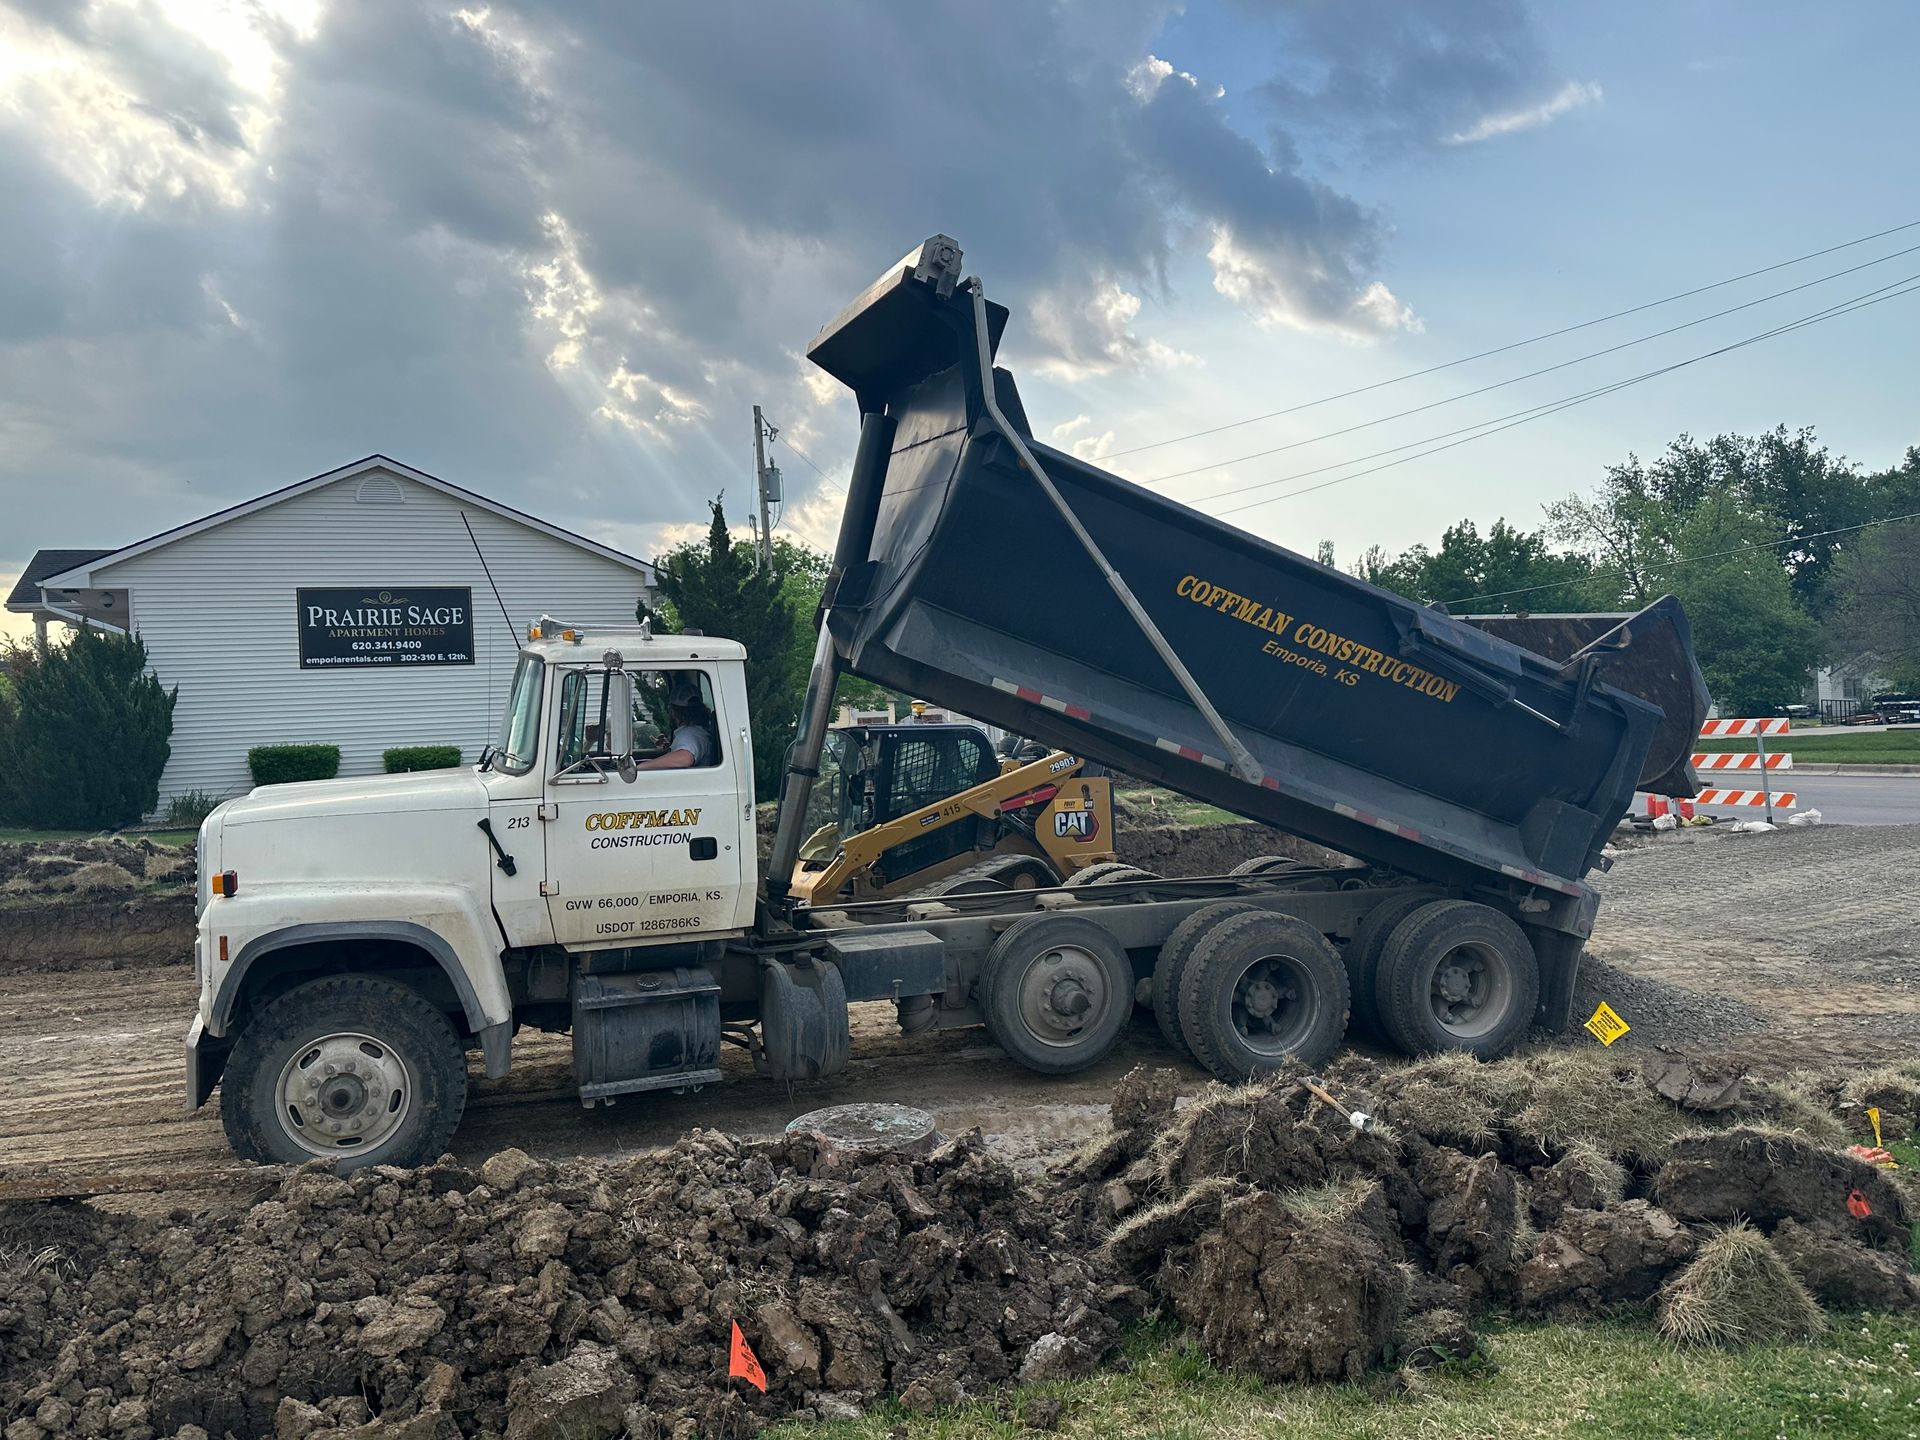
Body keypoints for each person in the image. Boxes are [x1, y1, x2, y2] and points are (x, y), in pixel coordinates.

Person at [635, 678, 715, 770]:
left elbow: (685, 758)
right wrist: (670, 748)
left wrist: (640, 767)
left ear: (674, 712)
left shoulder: (690, 734)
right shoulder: (696, 732)